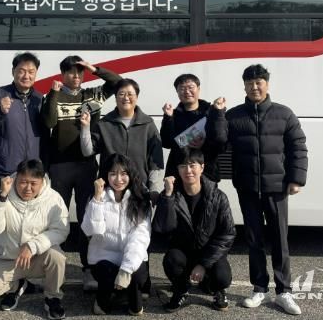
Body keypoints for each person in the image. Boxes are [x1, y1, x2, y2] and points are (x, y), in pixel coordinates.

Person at [225, 64, 308, 316]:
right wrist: (216, 115)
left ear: (267, 84)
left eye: (258, 82)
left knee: (280, 240)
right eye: (249, 83)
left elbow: (298, 147)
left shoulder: (284, 114)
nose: (254, 87)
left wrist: (296, 179)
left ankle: (284, 291)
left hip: (277, 188)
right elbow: (218, 142)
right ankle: (259, 288)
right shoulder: (234, 116)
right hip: (247, 187)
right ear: (244, 86)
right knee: (254, 240)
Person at [42, 56, 121, 291]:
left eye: (79, 72)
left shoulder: (92, 95)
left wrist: (95, 69)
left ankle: (88, 269)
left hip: (86, 165)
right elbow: (49, 122)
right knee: (57, 217)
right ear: (62, 74)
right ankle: (55, 269)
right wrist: (53, 94)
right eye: (70, 72)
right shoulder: (53, 96)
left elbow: (118, 83)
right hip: (60, 166)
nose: (76, 76)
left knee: (88, 218)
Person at [0, 159, 69, 320]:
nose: (28, 188)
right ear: (15, 179)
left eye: (33, 183)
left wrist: (33, 246)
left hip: (39, 258)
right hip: (9, 259)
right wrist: (2, 198)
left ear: (42, 181)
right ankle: (17, 285)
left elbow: (61, 231)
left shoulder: (54, 198)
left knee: (57, 257)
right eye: (23, 182)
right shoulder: (1, 195)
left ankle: (53, 297)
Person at [0, 51, 47, 261]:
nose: (26, 75)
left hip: (30, 175)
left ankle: (24, 272)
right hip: (2, 172)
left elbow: (45, 134)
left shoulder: (39, 99)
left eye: (31, 71)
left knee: (27, 225)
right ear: (13, 72)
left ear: (36, 74)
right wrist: (0, 112)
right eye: (21, 71)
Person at [153, 147, 235, 312]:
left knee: (222, 277)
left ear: (202, 167)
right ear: (177, 170)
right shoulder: (171, 194)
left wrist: (203, 264)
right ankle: (181, 289)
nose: (188, 170)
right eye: (183, 166)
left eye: (192, 165)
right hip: (184, 252)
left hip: (209, 252)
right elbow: (162, 228)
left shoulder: (218, 196)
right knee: (171, 260)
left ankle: (216, 289)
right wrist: (167, 196)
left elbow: (227, 234)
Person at [81, 153, 152, 316]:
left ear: (131, 175)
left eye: (123, 173)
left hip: (132, 258)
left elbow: (140, 238)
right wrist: (97, 199)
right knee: (105, 274)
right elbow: (91, 230)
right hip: (104, 258)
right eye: (113, 173)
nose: (118, 179)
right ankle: (103, 301)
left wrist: (126, 269)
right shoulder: (97, 197)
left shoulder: (140, 199)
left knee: (136, 286)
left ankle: (133, 300)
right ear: (105, 176)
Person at [80, 78, 164, 202]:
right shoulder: (104, 123)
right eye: (121, 94)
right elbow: (88, 151)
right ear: (115, 97)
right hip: (110, 189)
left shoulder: (147, 124)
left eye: (130, 94)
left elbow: (156, 160)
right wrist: (85, 127)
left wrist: (153, 188)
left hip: (139, 189)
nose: (126, 98)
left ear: (137, 97)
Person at [161, 73, 227, 182]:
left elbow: (222, 144)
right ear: (177, 92)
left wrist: (205, 143)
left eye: (190, 87)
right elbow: (166, 143)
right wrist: (168, 118)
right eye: (182, 88)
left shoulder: (212, 112)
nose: (187, 91)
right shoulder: (173, 114)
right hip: (178, 172)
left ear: (199, 89)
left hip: (208, 171)